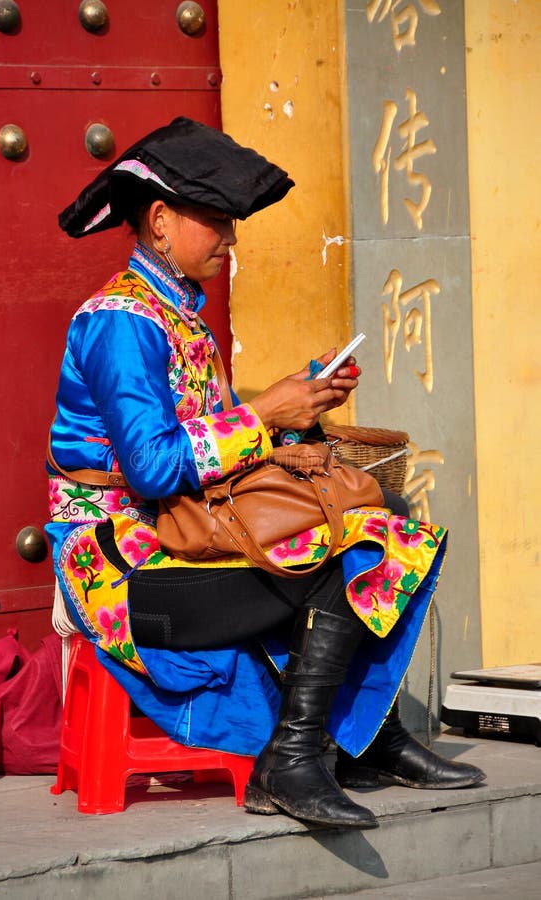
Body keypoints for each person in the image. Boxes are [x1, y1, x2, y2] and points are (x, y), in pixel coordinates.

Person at [46, 116, 485, 829]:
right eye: (216, 220)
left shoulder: (181, 314)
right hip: (120, 558)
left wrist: (296, 402)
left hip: (185, 531)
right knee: (353, 546)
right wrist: (264, 417)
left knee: (388, 516)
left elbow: (208, 442)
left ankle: (368, 734)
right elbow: (155, 469)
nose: (231, 238)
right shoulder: (119, 322)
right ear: (160, 221)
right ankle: (297, 754)